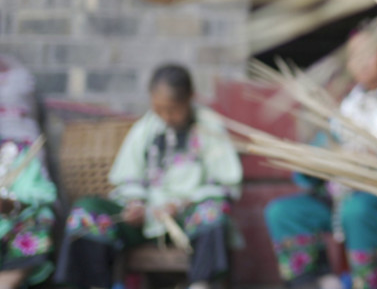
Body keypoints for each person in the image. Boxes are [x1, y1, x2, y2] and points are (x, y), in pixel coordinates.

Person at [265, 28, 377, 289]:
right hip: (337, 196)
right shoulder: (345, 104)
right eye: (354, 55)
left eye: (368, 53)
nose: (360, 62)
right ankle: (316, 283)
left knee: (358, 211)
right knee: (283, 212)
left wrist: (375, 160)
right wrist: (314, 161)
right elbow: (323, 149)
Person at [55, 64, 242, 289]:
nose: (165, 116)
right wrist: (135, 204)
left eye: (172, 109)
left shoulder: (209, 127)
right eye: (158, 109)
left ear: (190, 98)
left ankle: (200, 285)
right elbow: (127, 177)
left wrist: (180, 204)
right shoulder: (146, 128)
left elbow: (225, 184)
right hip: (145, 221)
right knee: (86, 211)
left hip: (187, 220)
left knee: (213, 212)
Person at [0, 55, 57, 289]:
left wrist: (10, 204)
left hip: (13, 226)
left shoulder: (17, 151)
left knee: (39, 220)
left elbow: (41, 193)